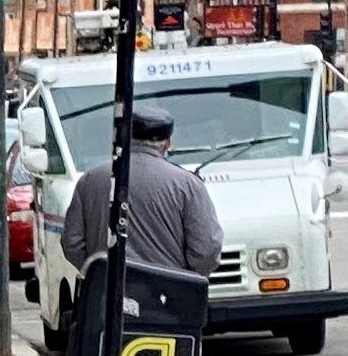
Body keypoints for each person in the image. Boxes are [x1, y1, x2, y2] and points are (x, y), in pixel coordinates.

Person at [59, 100, 225, 296]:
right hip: (167, 299)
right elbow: (206, 249)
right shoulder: (187, 185)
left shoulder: (91, 180)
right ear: (168, 142)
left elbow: (72, 243)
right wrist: (184, 279)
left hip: (105, 298)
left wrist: (100, 273)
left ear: (125, 137)